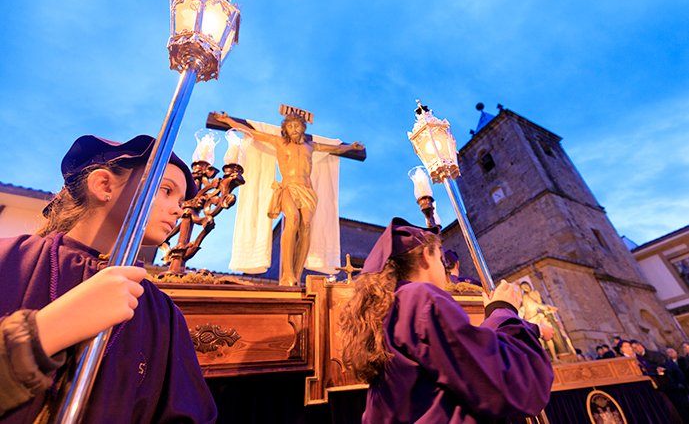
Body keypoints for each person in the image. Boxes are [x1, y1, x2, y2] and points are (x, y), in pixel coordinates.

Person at [0, 135, 217, 423]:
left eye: (181, 201)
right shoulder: (9, 259)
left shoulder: (162, 313)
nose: (179, 209)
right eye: (166, 190)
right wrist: (44, 332)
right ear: (103, 185)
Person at [339, 217, 554, 423]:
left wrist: (495, 318)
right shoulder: (420, 298)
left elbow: (455, 360)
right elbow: (499, 382)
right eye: (441, 260)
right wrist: (504, 310)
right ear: (426, 255)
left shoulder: (387, 307)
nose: (446, 272)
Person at [218, 113, 364, 286]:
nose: (294, 129)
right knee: (293, 219)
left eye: (297, 125)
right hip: (288, 187)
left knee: (306, 226)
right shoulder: (280, 142)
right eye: (290, 126)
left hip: (307, 191)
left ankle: (297, 273)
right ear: (285, 129)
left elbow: (334, 149)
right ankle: (287, 273)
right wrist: (228, 121)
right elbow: (253, 133)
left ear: (303, 127)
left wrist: (350, 147)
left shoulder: (311, 146)